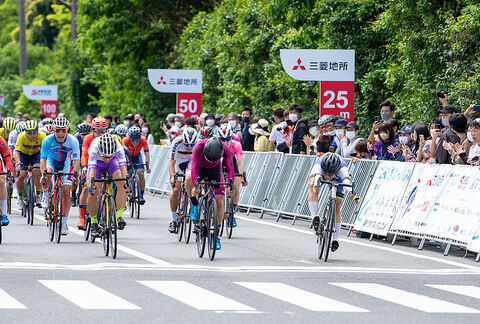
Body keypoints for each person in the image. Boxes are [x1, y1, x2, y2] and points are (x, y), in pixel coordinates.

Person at [185, 137, 234, 251]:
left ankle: (215, 235)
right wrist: (195, 186)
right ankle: (194, 204)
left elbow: (230, 169)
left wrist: (230, 186)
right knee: (187, 178)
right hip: (200, 168)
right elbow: (194, 168)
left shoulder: (224, 147)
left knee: (220, 201)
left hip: (215, 169)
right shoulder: (199, 146)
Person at [308, 153, 359, 252]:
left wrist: (354, 195)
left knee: (337, 205)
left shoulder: (342, 169)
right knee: (312, 185)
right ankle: (314, 217)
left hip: (338, 178)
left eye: (330, 174)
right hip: (318, 176)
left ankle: (335, 239)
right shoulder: (319, 166)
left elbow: (347, 184)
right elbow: (316, 180)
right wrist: (316, 186)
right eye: (326, 174)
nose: (327, 176)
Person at [40, 117, 80, 235]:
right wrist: (43, 175)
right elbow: (43, 159)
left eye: (63, 130)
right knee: (48, 173)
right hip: (51, 161)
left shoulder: (73, 141)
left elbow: (76, 160)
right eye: (58, 130)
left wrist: (75, 174)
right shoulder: (47, 140)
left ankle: (64, 223)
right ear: (54, 130)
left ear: (67, 130)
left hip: (65, 163)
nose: (61, 133)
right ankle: (46, 195)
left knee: (66, 191)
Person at [87, 133, 128, 236]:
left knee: (121, 183)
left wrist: (125, 181)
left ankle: (119, 216)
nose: (107, 158)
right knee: (93, 191)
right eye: (105, 156)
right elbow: (91, 169)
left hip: (113, 163)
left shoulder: (118, 146)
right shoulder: (94, 146)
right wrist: (91, 183)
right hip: (97, 163)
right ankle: (94, 222)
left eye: (109, 155)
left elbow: (123, 167)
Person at [77, 117, 109, 229]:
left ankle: (108, 212)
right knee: (86, 188)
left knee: (109, 185)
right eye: (98, 131)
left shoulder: (110, 138)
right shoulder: (88, 138)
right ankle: (82, 217)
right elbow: (84, 154)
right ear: (93, 131)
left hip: (106, 163)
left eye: (103, 131)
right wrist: (84, 167)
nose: (101, 134)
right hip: (91, 165)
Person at [168, 128, 198, 233]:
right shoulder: (177, 142)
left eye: (192, 145)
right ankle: (173, 220)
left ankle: (194, 209)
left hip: (191, 161)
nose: (189, 147)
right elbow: (171, 163)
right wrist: (172, 176)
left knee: (192, 183)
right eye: (186, 145)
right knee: (176, 191)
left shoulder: (198, 143)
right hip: (178, 162)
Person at [218, 125, 247, 227]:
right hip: (219, 162)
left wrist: (243, 175)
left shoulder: (236, 145)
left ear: (231, 137)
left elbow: (240, 161)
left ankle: (232, 212)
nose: (225, 142)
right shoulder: (215, 144)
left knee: (235, 187)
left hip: (231, 162)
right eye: (222, 139)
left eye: (228, 139)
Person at [14, 120, 46, 208]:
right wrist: (18, 163)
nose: (32, 135)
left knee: (36, 170)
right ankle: (20, 197)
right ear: (26, 132)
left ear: (37, 130)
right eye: (29, 133)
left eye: (34, 132)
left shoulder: (42, 136)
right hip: (23, 155)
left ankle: (38, 195)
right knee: (21, 175)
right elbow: (16, 152)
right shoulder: (21, 136)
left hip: (35, 155)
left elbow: (45, 151)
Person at [123, 126, 151, 204]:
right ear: (129, 138)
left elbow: (147, 153)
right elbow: (121, 155)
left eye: (137, 140)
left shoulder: (143, 140)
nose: (135, 142)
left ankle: (141, 196)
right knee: (128, 174)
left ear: (140, 137)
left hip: (137, 156)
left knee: (141, 173)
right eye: (133, 140)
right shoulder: (125, 140)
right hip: (127, 157)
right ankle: (129, 191)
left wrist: (148, 165)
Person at [0, 135, 14, 225]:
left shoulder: (1, 140)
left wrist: (10, 173)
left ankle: (3, 214)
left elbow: (8, 159)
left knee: (1, 182)